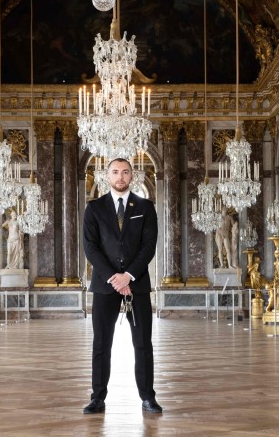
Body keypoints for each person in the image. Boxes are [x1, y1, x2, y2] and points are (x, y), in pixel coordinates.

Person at [82, 157, 161, 414]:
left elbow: (149, 246)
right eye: (115, 172)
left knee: (143, 344)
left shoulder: (146, 207)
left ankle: (148, 397)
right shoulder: (93, 208)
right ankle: (97, 397)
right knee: (101, 344)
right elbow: (91, 249)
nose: (120, 176)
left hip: (136, 287)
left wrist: (128, 276)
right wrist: (115, 278)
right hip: (106, 287)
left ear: (132, 175)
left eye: (125, 172)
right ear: (107, 176)